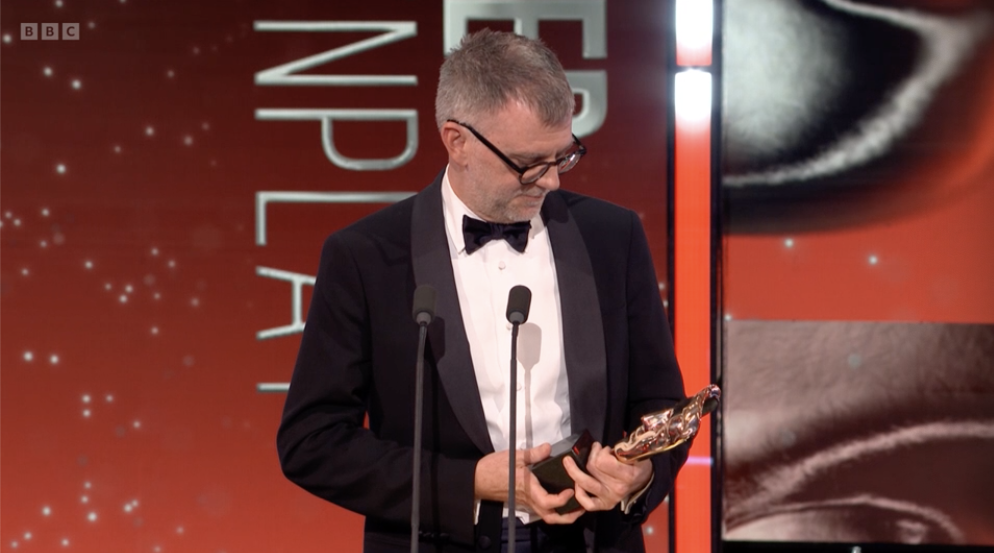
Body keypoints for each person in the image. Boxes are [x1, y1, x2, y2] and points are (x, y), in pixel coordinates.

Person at [277, 29, 688, 552]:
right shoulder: (366, 257)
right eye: (527, 163)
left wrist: (641, 476)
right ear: (457, 141)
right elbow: (312, 442)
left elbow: (660, 402)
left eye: (561, 156)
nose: (551, 182)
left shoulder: (614, 237)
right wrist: (468, 482)